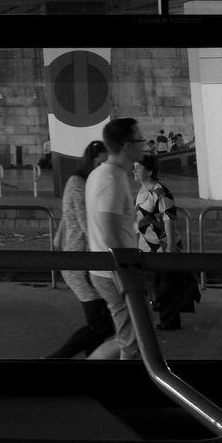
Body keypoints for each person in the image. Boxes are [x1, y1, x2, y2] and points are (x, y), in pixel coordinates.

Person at [47, 140, 116, 359]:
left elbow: (66, 221)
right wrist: (108, 248)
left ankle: (87, 359)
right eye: (101, 162)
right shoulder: (79, 183)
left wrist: (58, 241)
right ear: (92, 160)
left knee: (98, 324)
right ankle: (57, 359)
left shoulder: (83, 182)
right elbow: (83, 221)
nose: (104, 167)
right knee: (102, 325)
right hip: (82, 262)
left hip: (83, 258)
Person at [86, 117, 148, 360]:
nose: (145, 144)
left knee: (133, 333)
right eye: (140, 139)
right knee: (135, 339)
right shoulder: (111, 179)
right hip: (115, 271)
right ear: (126, 145)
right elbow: (109, 230)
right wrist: (128, 271)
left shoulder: (105, 174)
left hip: (108, 270)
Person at [134, 153, 197, 331]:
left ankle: (169, 321)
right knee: (157, 283)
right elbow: (137, 220)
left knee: (165, 284)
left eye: (137, 167)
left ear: (149, 171)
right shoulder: (141, 191)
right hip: (146, 246)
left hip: (161, 245)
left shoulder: (160, 191)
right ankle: (163, 318)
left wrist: (170, 246)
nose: (134, 170)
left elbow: (169, 218)